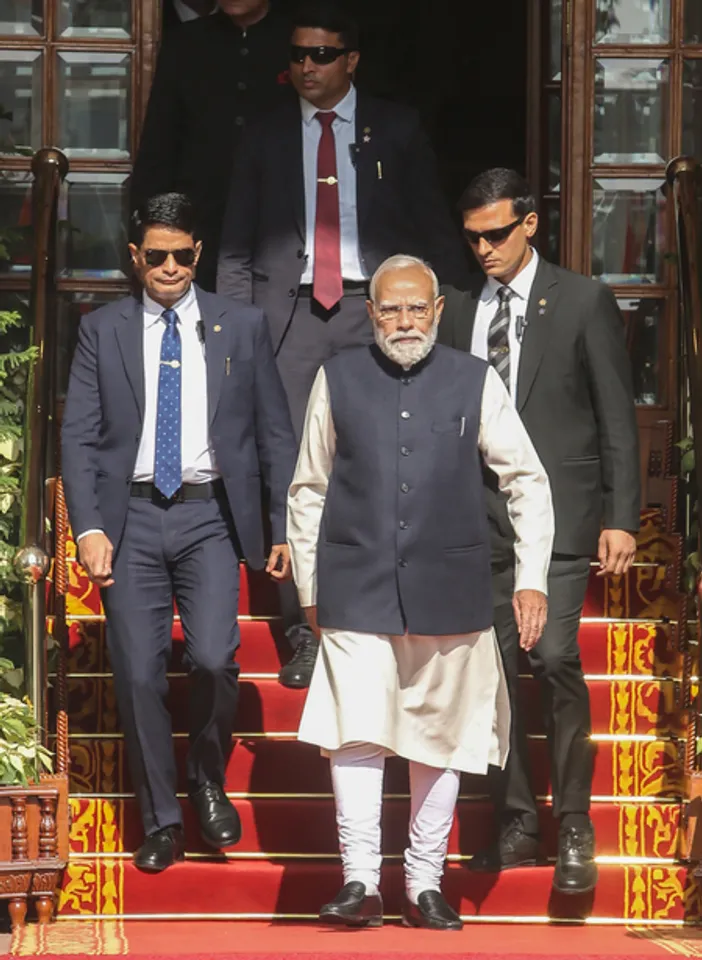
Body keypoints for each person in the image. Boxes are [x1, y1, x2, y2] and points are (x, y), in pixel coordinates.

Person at [287, 255, 554, 929]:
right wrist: (310, 587)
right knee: (356, 734)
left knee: (439, 737)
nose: (404, 321)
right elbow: (309, 488)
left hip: (451, 585)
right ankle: (359, 881)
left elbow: (526, 480)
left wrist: (530, 578)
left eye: (416, 308)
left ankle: (424, 882)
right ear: (370, 313)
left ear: (438, 311)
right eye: (390, 309)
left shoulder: (474, 379)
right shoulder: (338, 376)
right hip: (355, 583)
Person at [218, 2, 468, 688]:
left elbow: (432, 228)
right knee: (294, 472)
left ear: (351, 60)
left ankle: (382, 613)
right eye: (298, 54)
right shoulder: (264, 134)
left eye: (322, 55)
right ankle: (304, 628)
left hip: (376, 312)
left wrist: (453, 319)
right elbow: (237, 244)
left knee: (385, 459)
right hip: (288, 317)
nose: (307, 66)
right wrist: (237, 336)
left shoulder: (397, 127)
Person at [61, 193, 297, 873]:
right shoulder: (101, 330)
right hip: (130, 519)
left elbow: (274, 432)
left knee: (217, 659)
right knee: (137, 674)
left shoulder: (241, 325)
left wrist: (279, 523)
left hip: (210, 515)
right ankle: (163, 818)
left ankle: (206, 778)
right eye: (156, 255)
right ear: (135, 258)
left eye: (182, 254)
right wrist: (89, 529)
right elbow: (78, 436)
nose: (170, 267)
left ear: (198, 253)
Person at [438, 168, 641, 895]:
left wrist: (621, 515)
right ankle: (517, 818)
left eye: (496, 233)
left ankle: (576, 821)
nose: (484, 249)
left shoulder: (583, 300)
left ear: (530, 224)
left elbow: (616, 415)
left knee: (553, 655)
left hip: (561, 516)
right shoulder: (456, 306)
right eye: (472, 238)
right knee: (491, 670)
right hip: (478, 517)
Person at [131, 0, 291, 292]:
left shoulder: (295, 39)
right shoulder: (187, 41)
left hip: (279, 215)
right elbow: (160, 139)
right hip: (199, 212)